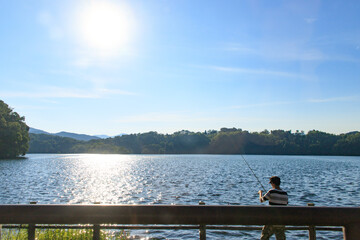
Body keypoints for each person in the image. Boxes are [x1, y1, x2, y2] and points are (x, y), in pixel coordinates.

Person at [258, 176, 288, 240]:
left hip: (272, 220)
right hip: (281, 221)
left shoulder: (271, 192)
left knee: (264, 237)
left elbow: (261, 200)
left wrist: (260, 193)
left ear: (273, 183)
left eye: (271, 183)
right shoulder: (285, 193)